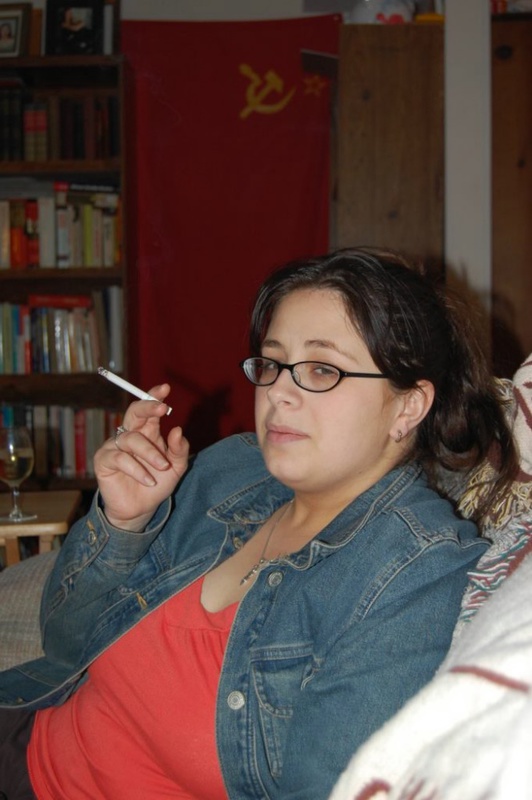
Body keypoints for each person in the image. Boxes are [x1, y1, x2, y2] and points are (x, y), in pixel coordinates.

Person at [0, 248, 518, 799]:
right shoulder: (230, 470)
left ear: (408, 406)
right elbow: (64, 643)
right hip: (24, 740)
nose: (279, 393)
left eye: (322, 369)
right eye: (272, 364)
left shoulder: (417, 574)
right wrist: (124, 523)